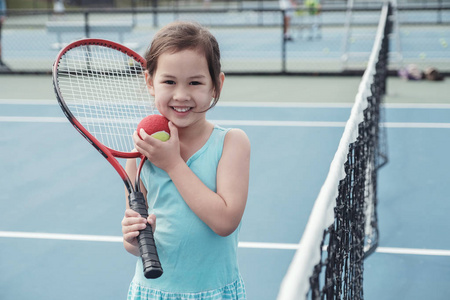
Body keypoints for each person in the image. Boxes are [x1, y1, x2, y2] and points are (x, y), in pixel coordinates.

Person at [121, 21, 250, 300]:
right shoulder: (140, 155)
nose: (181, 95)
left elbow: (225, 221)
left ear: (216, 85)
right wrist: (133, 239)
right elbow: (137, 243)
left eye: (195, 82)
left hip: (214, 292)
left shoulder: (232, 143)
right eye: (169, 81)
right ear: (149, 83)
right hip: (152, 292)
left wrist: (173, 164)